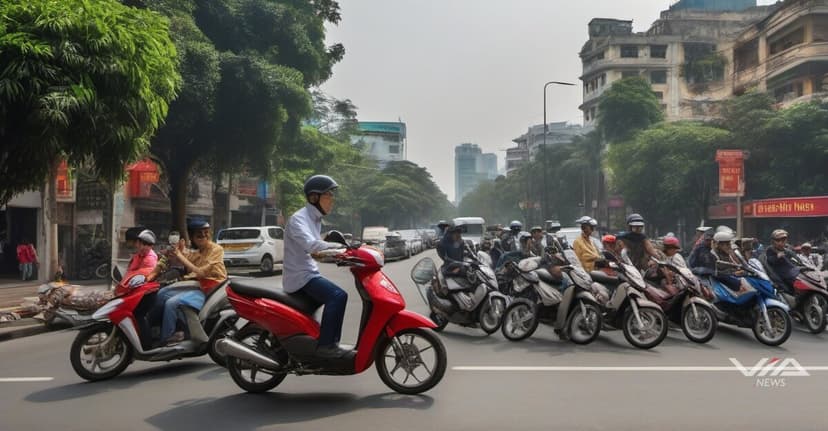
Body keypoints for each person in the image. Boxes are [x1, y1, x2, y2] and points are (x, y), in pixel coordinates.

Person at [279, 174, 351, 358]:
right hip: (300, 277)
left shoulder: (314, 219)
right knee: (338, 296)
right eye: (328, 195)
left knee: (334, 297)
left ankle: (328, 342)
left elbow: (315, 252)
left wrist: (341, 256)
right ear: (314, 197)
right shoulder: (299, 220)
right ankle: (327, 346)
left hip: (309, 273)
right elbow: (311, 245)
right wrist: (343, 247)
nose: (332, 201)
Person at [147, 219, 227, 346]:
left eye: (206, 233)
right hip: (198, 286)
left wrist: (180, 255)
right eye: (199, 234)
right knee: (161, 293)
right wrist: (155, 271)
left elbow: (200, 273)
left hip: (211, 289)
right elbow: (174, 257)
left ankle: (168, 336)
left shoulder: (216, 250)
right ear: (192, 238)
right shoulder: (197, 252)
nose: (203, 236)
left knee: (172, 303)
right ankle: (151, 329)